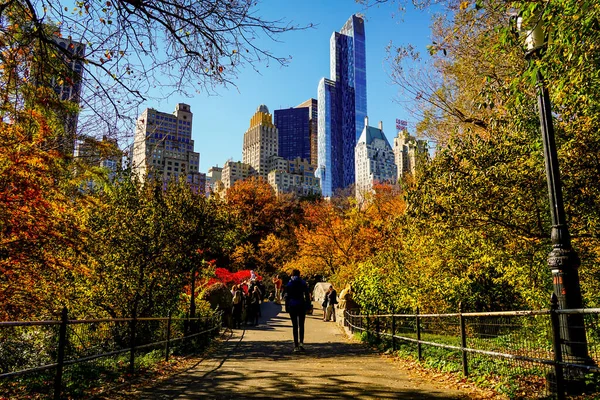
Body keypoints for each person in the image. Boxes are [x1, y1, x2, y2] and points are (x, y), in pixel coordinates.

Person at [284, 269, 310, 352]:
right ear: (299, 274)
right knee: (301, 325)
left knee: (295, 326)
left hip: (292, 305)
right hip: (301, 304)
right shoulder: (303, 283)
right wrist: (308, 305)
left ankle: (295, 345)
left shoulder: (289, 283)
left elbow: (287, 296)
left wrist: (286, 307)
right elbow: (307, 295)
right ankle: (301, 343)